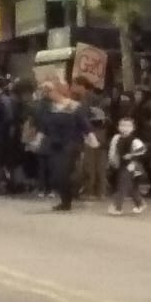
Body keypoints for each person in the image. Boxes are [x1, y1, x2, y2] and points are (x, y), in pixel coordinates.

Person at [39, 80, 91, 212]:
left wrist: (91, 138)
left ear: (60, 91)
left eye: (51, 91)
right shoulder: (49, 107)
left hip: (70, 143)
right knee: (55, 176)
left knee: (63, 173)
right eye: (47, 92)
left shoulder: (73, 106)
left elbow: (84, 125)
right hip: (54, 143)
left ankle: (69, 197)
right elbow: (43, 124)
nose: (49, 94)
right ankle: (65, 201)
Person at [108, 118, 149, 215]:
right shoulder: (117, 138)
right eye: (122, 125)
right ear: (118, 127)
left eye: (128, 126)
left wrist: (132, 155)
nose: (125, 128)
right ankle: (140, 203)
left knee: (122, 185)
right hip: (122, 164)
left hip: (131, 165)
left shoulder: (134, 140)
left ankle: (117, 207)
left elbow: (143, 150)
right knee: (131, 187)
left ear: (133, 128)